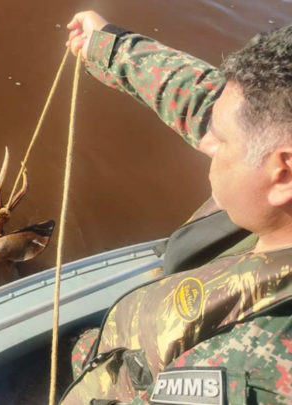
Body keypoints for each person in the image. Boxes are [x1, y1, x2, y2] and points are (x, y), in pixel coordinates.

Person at [60, 10, 292, 404]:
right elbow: (203, 101)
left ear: (283, 174)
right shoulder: (270, 174)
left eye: (220, 141)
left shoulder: (250, 373)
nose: (207, 144)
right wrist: (108, 46)